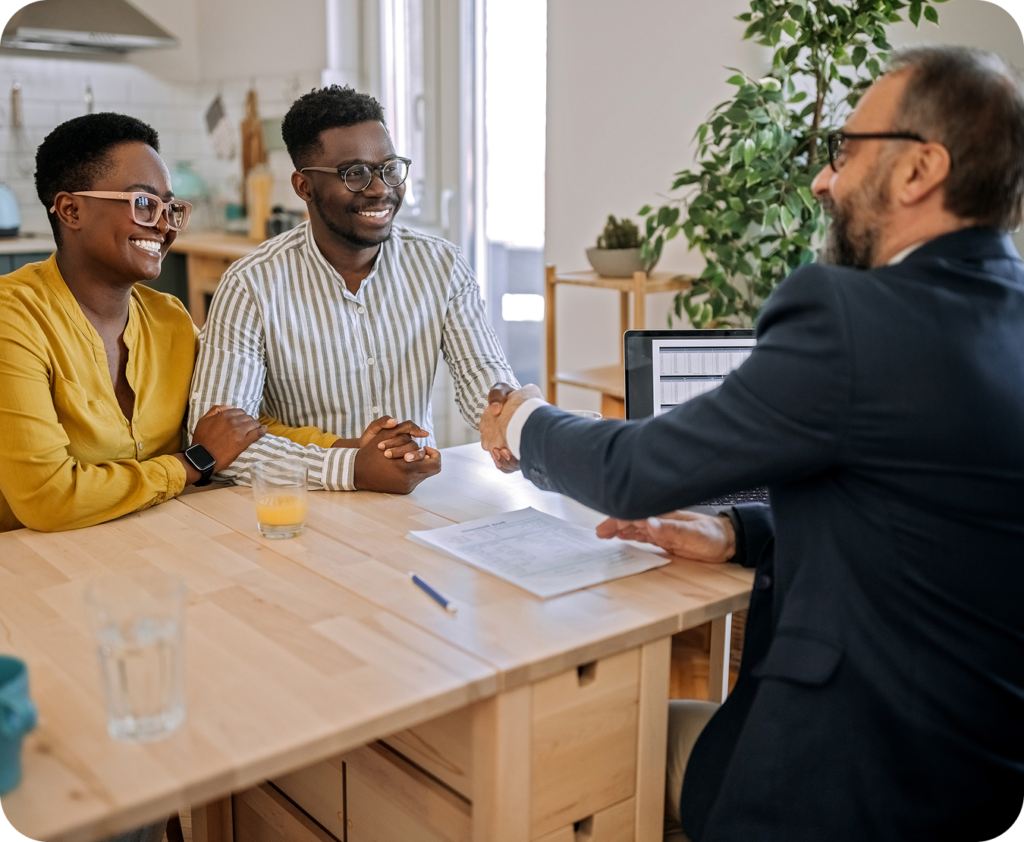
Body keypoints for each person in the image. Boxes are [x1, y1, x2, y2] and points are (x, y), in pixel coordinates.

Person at [481, 46, 1024, 840]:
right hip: (975, 778)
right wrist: (739, 530)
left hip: (844, 786)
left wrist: (524, 416)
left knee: (574, 745)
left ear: (919, 171)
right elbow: (931, 513)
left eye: (845, 151)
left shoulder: (851, 316)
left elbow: (634, 471)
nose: (822, 181)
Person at [187, 85, 518, 493]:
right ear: (304, 186)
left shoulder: (442, 266)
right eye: (355, 173)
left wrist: (506, 414)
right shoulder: (251, 285)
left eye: (390, 167)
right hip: (302, 512)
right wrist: (350, 468)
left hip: (415, 499)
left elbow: (479, 373)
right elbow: (215, 442)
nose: (380, 189)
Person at [0, 113, 264, 535]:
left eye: (170, 207)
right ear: (70, 210)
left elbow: (238, 419)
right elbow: (48, 497)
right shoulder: (13, 317)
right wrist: (192, 463)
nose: (163, 225)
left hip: (149, 548)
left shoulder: (170, 319)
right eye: (143, 204)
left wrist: (354, 452)